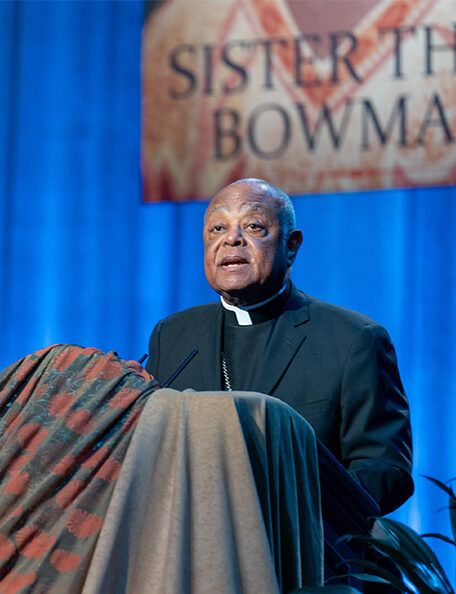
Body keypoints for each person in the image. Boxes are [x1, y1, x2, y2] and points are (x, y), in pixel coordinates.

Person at [146, 178, 413, 515]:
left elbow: (386, 472)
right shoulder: (173, 335)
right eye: (217, 228)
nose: (231, 239)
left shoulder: (352, 339)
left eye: (253, 226)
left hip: (304, 557)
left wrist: (287, 509)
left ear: (291, 246)